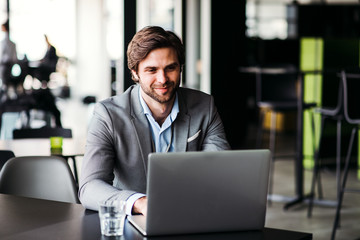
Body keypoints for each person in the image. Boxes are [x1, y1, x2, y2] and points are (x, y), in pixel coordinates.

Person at [79, 26, 230, 215]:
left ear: (180, 67)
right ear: (135, 73)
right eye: (152, 70)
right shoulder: (107, 114)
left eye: (170, 68)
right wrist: (140, 203)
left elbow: (221, 171)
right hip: (133, 222)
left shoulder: (204, 106)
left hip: (191, 215)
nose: (163, 79)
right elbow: (90, 188)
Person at [0, 20, 18, 95]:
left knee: (5, 83)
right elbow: (14, 57)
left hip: (5, 65)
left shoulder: (4, 42)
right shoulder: (11, 43)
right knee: (6, 83)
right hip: (9, 64)